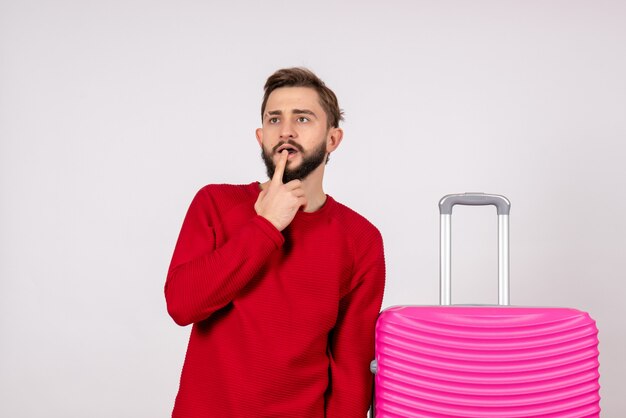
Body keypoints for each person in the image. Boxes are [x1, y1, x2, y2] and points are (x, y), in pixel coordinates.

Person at [165, 67, 386, 417]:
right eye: (274, 119)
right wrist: (266, 225)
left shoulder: (360, 239)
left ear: (333, 139)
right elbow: (182, 304)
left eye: (303, 119)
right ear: (260, 136)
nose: (285, 131)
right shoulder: (214, 204)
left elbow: (352, 370)